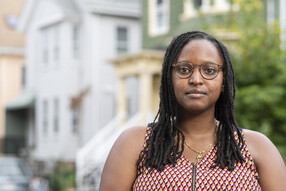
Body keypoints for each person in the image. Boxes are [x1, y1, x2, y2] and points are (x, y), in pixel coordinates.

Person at [99, 31, 286, 190]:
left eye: (210, 70)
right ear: (168, 78)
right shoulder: (135, 143)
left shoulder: (257, 148)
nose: (196, 79)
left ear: (223, 81)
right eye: (184, 69)